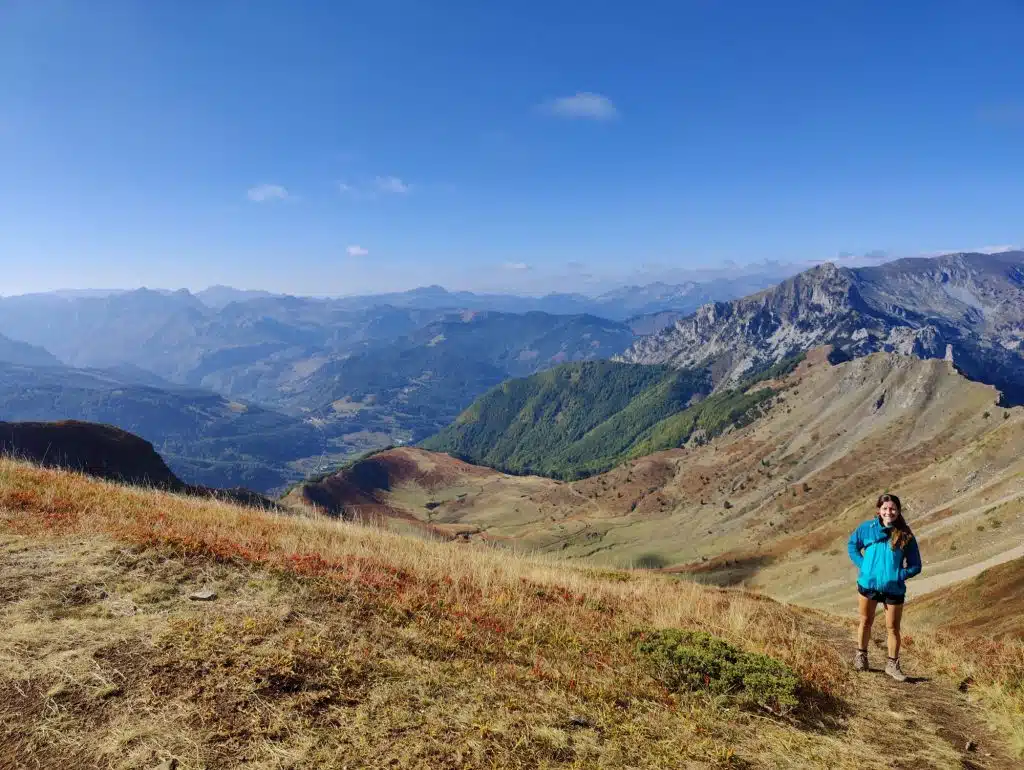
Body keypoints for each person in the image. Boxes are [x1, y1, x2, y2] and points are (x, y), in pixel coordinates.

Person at [847, 493, 922, 681]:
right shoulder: (867, 528)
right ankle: (861, 657)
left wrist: (898, 575)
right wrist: (864, 565)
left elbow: (915, 565)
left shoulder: (905, 534)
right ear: (878, 510)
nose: (889, 512)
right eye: (885, 508)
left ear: (898, 511)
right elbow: (852, 546)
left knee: (893, 628)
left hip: (893, 588)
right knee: (865, 621)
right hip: (868, 584)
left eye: (893, 509)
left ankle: (892, 665)